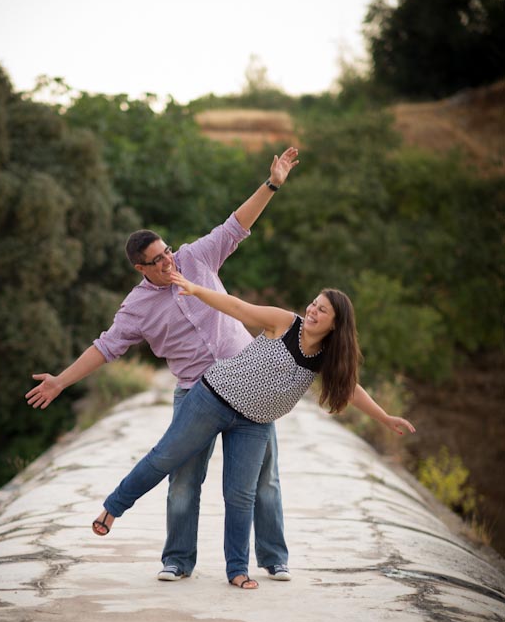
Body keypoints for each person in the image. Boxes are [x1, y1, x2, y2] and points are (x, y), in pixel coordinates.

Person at [26, 148, 300, 582]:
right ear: (141, 268)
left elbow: (237, 225)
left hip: (249, 387)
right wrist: (60, 381)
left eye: (166, 251)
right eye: (157, 259)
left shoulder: (197, 257)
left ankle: (273, 557)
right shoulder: (136, 308)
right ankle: (177, 560)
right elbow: (106, 347)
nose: (168, 260)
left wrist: (272, 184)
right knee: (183, 483)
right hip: (198, 396)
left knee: (262, 483)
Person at [91, 272, 416, 589]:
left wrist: (385, 417)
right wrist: (194, 289)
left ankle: (237, 570)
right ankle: (113, 508)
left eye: (322, 310)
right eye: (314, 304)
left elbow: (351, 389)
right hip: (211, 400)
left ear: (336, 324)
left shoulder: (326, 356)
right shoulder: (286, 323)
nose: (313, 311)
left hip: (254, 424)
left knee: (240, 495)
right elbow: (237, 308)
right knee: (164, 459)